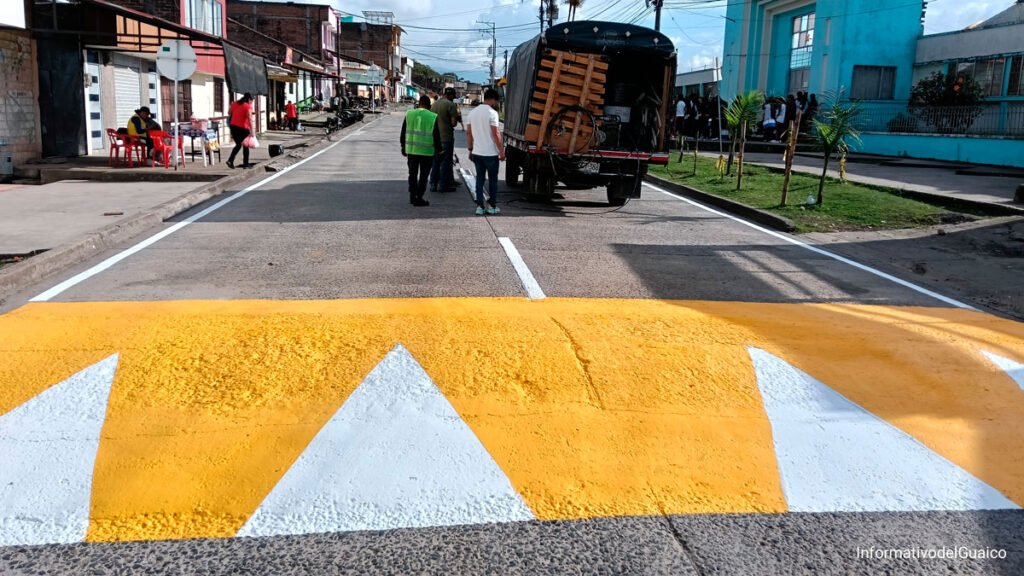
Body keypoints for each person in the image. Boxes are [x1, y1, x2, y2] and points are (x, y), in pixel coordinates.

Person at [466, 88, 505, 216]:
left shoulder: (472, 113)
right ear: (493, 99)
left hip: (477, 153)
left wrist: (470, 149)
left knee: (479, 180)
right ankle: (492, 206)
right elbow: (496, 134)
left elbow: (469, 133)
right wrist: (501, 151)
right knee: (493, 180)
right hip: (491, 154)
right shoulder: (492, 113)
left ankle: (480, 207)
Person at [400, 95, 441, 207]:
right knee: (423, 176)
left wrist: (403, 147)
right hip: (426, 152)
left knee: (412, 174)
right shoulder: (432, 116)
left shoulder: (409, 114)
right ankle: (419, 196)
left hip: (412, 151)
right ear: (429, 106)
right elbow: (436, 135)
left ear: (418, 104)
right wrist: (440, 150)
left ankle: (412, 196)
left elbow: (403, 132)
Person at [430, 87, 461, 193]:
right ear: (451, 95)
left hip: (434, 137)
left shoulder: (434, 104)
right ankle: (443, 185)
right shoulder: (451, 105)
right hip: (446, 138)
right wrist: (457, 117)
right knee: (445, 162)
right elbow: (453, 123)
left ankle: (433, 184)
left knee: (435, 162)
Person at [227, 93, 255, 169]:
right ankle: (245, 164)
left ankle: (230, 160)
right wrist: (252, 131)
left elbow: (229, 112)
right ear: (249, 99)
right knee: (246, 146)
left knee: (238, 145)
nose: (252, 102)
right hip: (243, 128)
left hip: (233, 127)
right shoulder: (247, 106)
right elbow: (250, 119)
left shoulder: (234, 103)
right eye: (252, 100)